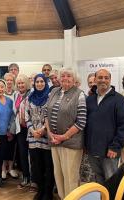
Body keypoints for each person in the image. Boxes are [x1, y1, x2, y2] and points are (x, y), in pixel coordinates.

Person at [44, 67, 86, 199]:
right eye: (63, 76)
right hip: (54, 141)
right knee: (59, 175)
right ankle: (63, 197)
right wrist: (50, 133)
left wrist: (64, 137)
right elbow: (46, 113)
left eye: (69, 76)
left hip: (71, 143)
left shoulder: (79, 94)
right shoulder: (54, 92)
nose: (65, 78)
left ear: (74, 79)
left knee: (70, 176)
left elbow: (81, 121)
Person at [85, 69, 124, 184]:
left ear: (110, 80)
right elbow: (86, 124)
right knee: (98, 181)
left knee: (111, 181)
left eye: (106, 78)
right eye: (100, 77)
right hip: (92, 149)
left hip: (109, 151)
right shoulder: (89, 100)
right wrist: (86, 145)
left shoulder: (119, 100)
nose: (103, 80)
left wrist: (115, 147)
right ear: (95, 79)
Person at [25, 73, 54, 200]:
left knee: (48, 166)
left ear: (46, 83)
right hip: (33, 137)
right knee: (36, 166)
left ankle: (48, 193)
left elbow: (52, 115)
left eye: (42, 81)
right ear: (34, 84)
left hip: (46, 137)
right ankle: (40, 190)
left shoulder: (50, 97)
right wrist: (33, 130)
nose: (39, 84)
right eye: (37, 82)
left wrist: (43, 130)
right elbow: (26, 116)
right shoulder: (29, 98)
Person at [12, 74, 32, 188]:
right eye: (18, 83)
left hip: (30, 129)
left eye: (22, 83)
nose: (20, 85)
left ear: (27, 83)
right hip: (20, 129)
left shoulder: (31, 94)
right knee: (23, 154)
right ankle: (26, 177)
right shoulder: (16, 95)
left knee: (32, 155)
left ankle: (34, 178)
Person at [2, 72, 17, 179]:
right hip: (2, 126)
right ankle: (3, 169)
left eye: (11, 80)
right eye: (7, 80)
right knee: (3, 147)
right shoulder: (0, 93)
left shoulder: (16, 94)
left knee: (12, 148)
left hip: (14, 125)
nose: (9, 82)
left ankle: (11, 168)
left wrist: (11, 130)